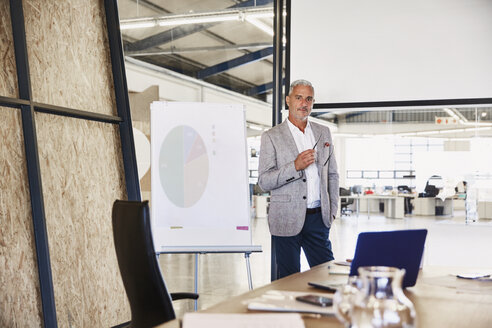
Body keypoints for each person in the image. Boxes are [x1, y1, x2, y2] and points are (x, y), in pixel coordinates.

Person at [258, 79, 339, 279]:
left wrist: (332, 212)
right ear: (288, 100)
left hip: (318, 219)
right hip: (285, 219)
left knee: (328, 278)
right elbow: (264, 181)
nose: (304, 103)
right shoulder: (271, 136)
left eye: (309, 99)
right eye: (299, 97)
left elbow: (333, 175)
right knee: (288, 281)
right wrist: (294, 166)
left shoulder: (324, 132)